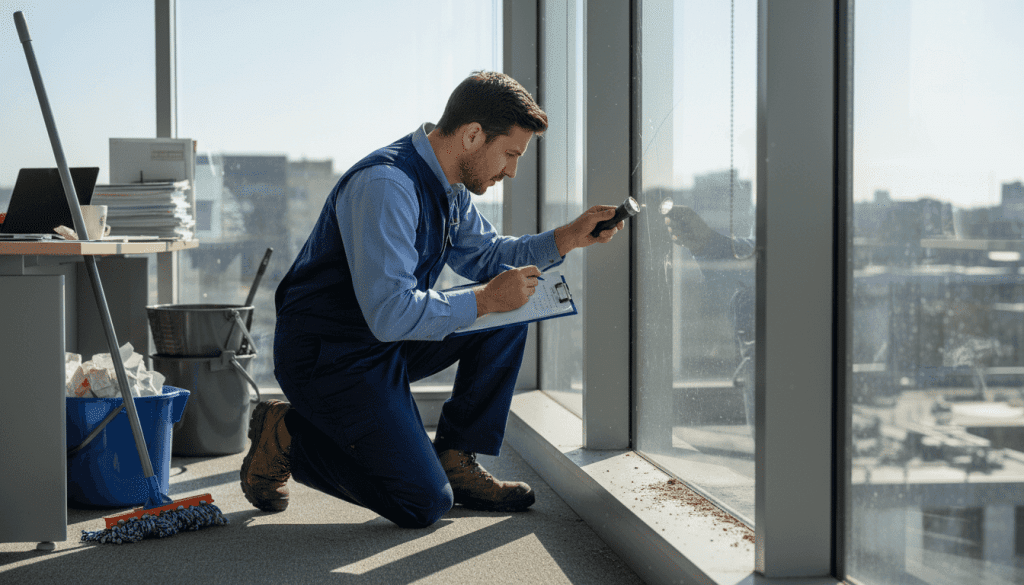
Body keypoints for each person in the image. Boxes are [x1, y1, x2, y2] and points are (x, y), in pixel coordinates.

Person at [240, 71, 625, 529]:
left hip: (382, 341)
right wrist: (483, 300)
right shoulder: (386, 185)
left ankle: (455, 460)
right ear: (472, 135)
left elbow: (489, 255)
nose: (512, 170)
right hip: (329, 357)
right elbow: (390, 314)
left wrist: (566, 238)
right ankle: (286, 434)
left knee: (510, 309)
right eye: (510, 154)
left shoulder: (451, 188)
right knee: (421, 502)